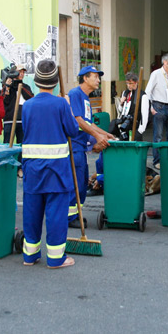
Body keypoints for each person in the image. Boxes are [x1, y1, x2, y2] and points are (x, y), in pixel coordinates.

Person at [21, 60, 80, 269]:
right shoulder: (61, 104)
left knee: (31, 211)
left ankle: (30, 255)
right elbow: (73, 131)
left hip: (32, 168)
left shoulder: (27, 105)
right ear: (55, 82)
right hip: (56, 169)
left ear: (36, 81)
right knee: (56, 212)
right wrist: (68, 106)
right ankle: (55, 258)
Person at [67, 66, 114, 228]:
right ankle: (70, 217)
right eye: (95, 77)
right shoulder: (75, 94)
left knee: (82, 182)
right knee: (77, 182)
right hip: (74, 146)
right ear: (85, 78)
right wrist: (97, 136)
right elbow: (78, 120)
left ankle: (76, 215)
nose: (98, 80)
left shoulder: (86, 98)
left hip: (81, 146)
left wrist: (105, 134)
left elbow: (89, 123)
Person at [145, 53, 168, 168]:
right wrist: (150, 107)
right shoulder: (156, 74)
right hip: (158, 106)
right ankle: (157, 161)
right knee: (158, 135)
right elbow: (147, 91)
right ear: (165, 62)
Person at [109, 72, 149, 141]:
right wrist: (121, 103)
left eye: (130, 83)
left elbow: (145, 115)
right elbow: (120, 111)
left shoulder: (143, 96)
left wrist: (140, 131)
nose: (128, 86)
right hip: (124, 126)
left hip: (135, 127)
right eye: (127, 83)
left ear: (136, 82)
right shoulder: (125, 93)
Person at [3, 64, 33, 144]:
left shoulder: (25, 86)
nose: (21, 74)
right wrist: (7, 87)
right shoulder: (6, 86)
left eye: (23, 72)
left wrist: (20, 86)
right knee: (7, 144)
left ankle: (21, 157)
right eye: (19, 72)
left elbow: (30, 97)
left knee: (22, 144)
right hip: (10, 120)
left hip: (22, 120)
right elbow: (4, 101)